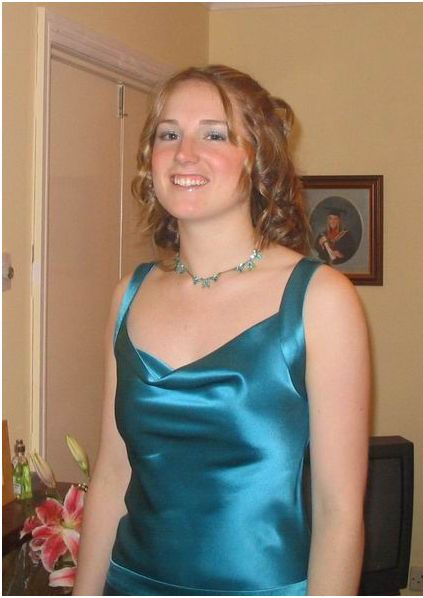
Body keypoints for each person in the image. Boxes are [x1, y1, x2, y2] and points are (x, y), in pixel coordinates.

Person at [73, 65, 370, 596]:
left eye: (214, 134)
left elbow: (338, 511)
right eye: (168, 134)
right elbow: (113, 475)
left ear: (258, 159)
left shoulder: (320, 299)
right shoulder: (129, 295)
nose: (184, 153)